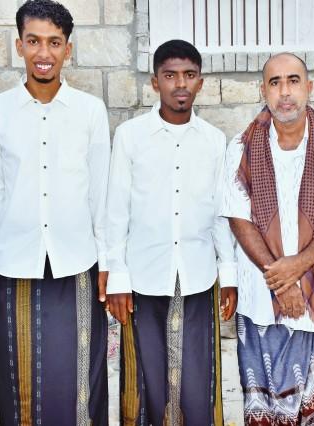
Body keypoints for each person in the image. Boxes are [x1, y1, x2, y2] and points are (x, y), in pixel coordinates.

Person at [0, 1, 111, 424]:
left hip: (78, 259)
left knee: (80, 369)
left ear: (68, 49)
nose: (43, 53)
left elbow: (101, 193)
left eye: (54, 42)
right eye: (33, 41)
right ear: (19, 46)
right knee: (21, 373)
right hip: (15, 262)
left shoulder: (90, 111)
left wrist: (108, 262)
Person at [220, 52, 314, 425]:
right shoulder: (240, 146)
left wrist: (296, 268)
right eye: (275, 82)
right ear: (263, 91)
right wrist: (283, 282)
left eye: (293, 81)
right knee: (265, 408)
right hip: (260, 299)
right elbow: (239, 219)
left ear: (309, 87)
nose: (284, 92)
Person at [101, 39, 237, 426]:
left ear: (201, 83)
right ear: (154, 81)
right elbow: (117, 210)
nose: (180, 84)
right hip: (144, 274)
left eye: (189, 75)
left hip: (198, 273)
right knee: (147, 378)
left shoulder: (214, 140)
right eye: (170, 75)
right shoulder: (130, 136)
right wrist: (118, 276)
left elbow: (220, 213)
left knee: (197, 376)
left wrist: (228, 273)